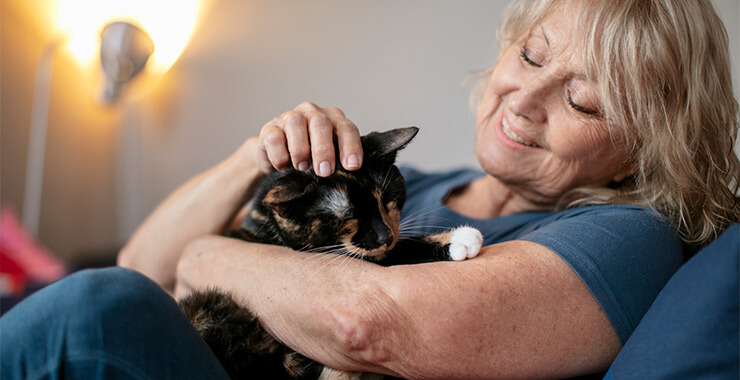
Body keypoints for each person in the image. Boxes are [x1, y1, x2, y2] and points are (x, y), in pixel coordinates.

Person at [2, 0, 739, 379]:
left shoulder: (625, 235)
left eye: (583, 101)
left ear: (643, 147)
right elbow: (139, 260)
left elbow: (370, 325)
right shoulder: (413, 183)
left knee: (99, 314)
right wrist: (255, 157)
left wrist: (205, 255)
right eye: (532, 53)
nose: (523, 97)